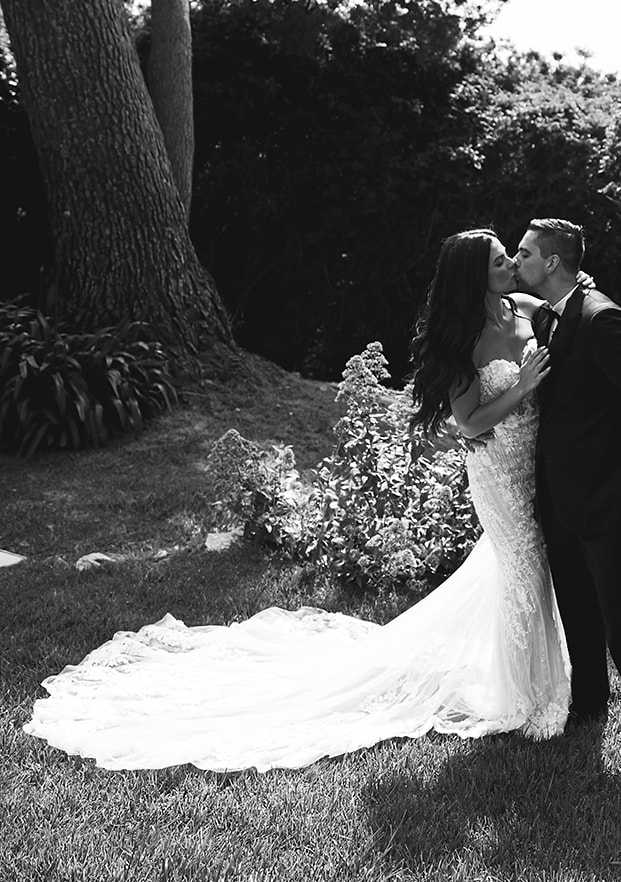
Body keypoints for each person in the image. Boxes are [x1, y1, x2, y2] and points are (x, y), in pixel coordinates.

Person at [23, 229, 570, 771]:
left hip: (534, 463)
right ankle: (530, 697)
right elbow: (469, 420)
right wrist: (520, 388)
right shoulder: (467, 337)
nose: (512, 267)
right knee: (524, 566)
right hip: (497, 472)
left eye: (511, 258)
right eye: (501, 261)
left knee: (523, 568)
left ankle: (534, 674)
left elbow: (567, 295)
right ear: (474, 275)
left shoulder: (522, 307)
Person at [513, 218, 621, 790]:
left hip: (608, 503)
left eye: (525, 254)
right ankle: (589, 710)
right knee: (579, 617)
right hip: (562, 502)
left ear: (555, 264)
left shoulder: (601, 318)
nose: (517, 263)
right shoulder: (549, 313)